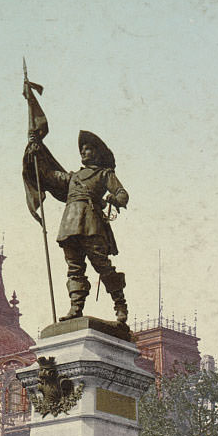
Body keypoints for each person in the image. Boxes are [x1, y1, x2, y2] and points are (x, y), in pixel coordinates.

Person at [28, 130, 129, 325]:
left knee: (102, 265)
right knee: (74, 268)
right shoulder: (73, 177)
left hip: (91, 224)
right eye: (82, 149)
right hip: (70, 225)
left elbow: (122, 193)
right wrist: (36, 150)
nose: (84, 152)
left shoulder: (104, 174)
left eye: (88, 149)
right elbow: (48, 175)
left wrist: (115, 199)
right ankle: (76, 307)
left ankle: (120, 305)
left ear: (97, 154)